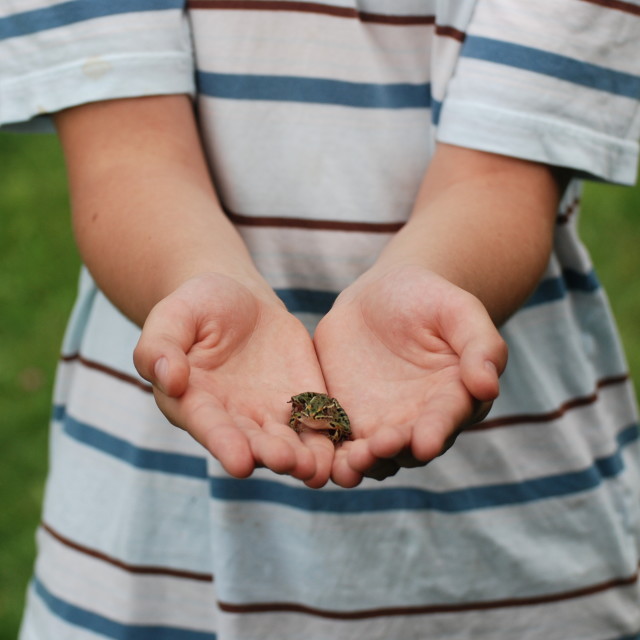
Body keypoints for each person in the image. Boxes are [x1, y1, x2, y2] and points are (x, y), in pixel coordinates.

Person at [2, 1, 639, 638]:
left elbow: (503, 172)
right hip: (144, 553)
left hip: (516, 558)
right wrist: (195, 280)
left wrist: (428, 282)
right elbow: (126, 155)